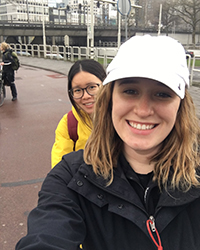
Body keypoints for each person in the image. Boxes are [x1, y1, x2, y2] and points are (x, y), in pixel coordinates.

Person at [15, 35, 200, 250]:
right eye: (130, 91)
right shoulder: (69, 178)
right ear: (110, 99)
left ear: (180, 106)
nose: (142, 110)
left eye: (162, 94)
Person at [51, 59, 106, 168]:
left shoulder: (122, 118)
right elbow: (59, 169)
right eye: (77, 90)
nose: (85, 96)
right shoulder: (68, 124)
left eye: (92, 87)